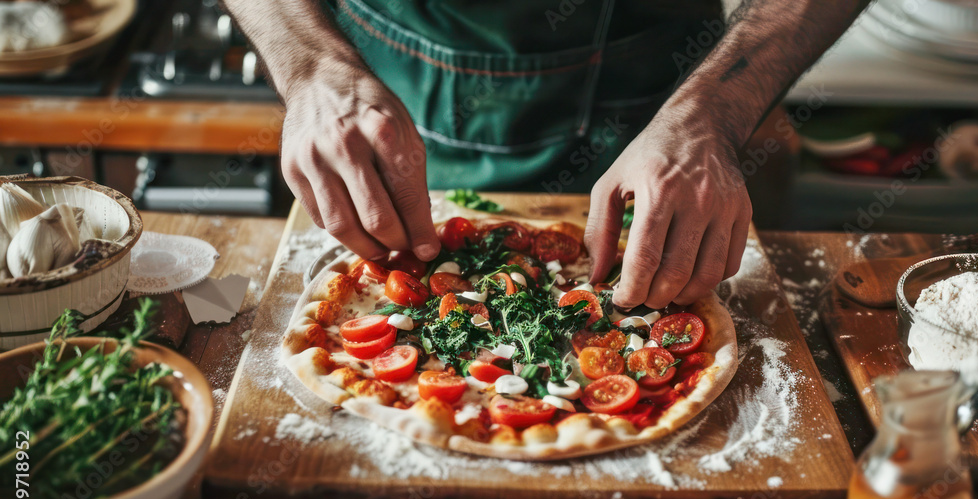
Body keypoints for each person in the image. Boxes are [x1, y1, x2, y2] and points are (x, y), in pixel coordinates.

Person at [224, 0, 867, 309]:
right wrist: (309, 63)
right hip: (378, 61)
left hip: (663, 74)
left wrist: (712, 115)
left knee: (658, 278)